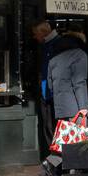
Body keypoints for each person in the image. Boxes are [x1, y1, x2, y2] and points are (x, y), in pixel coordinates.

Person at [40, 31, 88, 176]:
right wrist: (83, 107)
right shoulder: (80, 55)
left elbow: (50, 83)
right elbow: (80, 82)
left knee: (66, 139)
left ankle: (56, 164)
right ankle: (58, 165)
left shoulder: (54, 59)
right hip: (75, 104)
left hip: (60, 105)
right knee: (75, 141)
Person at [31, 20, 64, 158]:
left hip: (54, 93)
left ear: (44, 33)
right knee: (49, 127)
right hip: (48, 92)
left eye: (36, 34)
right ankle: (53, 160)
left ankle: (55, 161)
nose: (34, 37)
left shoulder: (58, 44)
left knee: (53, 128)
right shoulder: (47, 45)